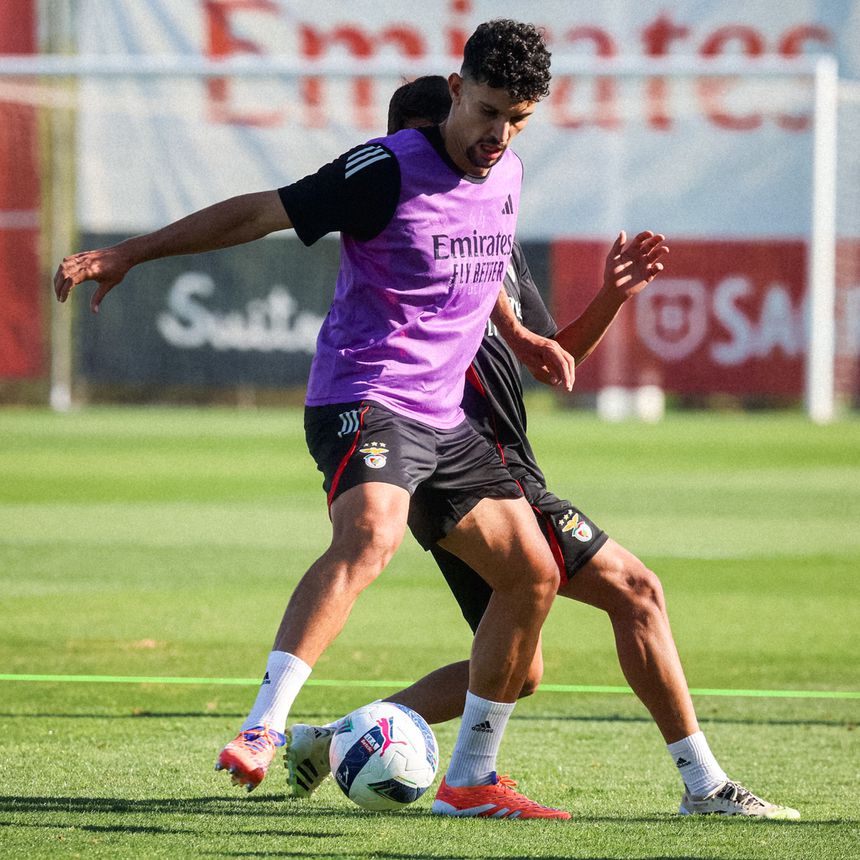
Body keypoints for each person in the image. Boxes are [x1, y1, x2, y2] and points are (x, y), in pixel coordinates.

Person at [54, 20, 586, 820]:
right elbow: (258, 214)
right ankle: (265, 728)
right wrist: (132, 251)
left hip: (445, 419)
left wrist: (520, 335)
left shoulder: (506, 172)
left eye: (518, 119)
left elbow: (482, 269)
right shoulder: (384, 169)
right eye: (486, 111)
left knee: (533, 576)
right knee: (370, 535)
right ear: (454, 89)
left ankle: (472, 780)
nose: (498, 134)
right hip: (363, 396)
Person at [284, 76, 800, 820]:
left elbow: (554, 358)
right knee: (638, 591)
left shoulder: (490, 224)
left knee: (520, 673)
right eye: (456, 137)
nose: (482, 152)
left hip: (498, 468)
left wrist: (612, 296)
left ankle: (338, 738)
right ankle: (704, 785)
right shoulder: (407, 223)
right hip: (471, 473)